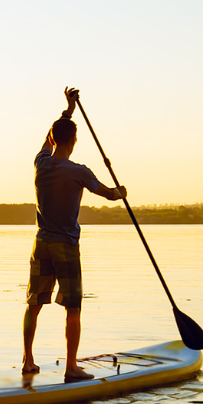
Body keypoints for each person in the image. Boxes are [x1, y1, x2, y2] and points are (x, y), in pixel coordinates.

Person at [24, 87, 126, 380]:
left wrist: (68, 111)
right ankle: (71, 367)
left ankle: (28, 361)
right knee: (73, 307)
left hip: (41, 243)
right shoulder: (79, 171)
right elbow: (108, 194)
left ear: (54, 138)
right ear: (75, 141)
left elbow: (47, 139)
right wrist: (121, 192)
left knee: (34, 304)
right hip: (66, 245)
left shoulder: (41, 163)